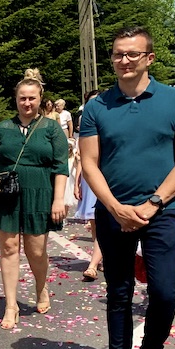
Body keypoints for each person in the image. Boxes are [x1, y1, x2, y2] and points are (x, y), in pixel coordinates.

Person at [79, 26, 175, 349]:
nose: (124, 60)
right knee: (119, 293)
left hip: (162, 210)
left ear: (149, 58)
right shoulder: (97, 107)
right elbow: (89, 163)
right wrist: (115, 208)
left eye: (132, 54)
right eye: (118, 54)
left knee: (166, 291)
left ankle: (152, 347)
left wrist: (154, 203)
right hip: (114, 213)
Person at [0, 74, 69, 329]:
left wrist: (58, 199)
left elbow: (60, 167)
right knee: (8, 248)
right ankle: (11, 305)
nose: (27, 103)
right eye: (22, 98)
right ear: (16, 99)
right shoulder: (3, 128)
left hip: (40, 192)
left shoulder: (51, 129)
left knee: (35, 251)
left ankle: (41, 287)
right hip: (6, 194)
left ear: (40, 99)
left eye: (32, 98)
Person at [74, 89, 103, 281]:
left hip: (106, 177)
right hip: (88, 177)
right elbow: (82, 158)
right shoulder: (86, 125)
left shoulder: (110, 123)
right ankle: (101, 256)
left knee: (102, 222)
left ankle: (93, 264)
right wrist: (77, 181)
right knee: (94, 223)